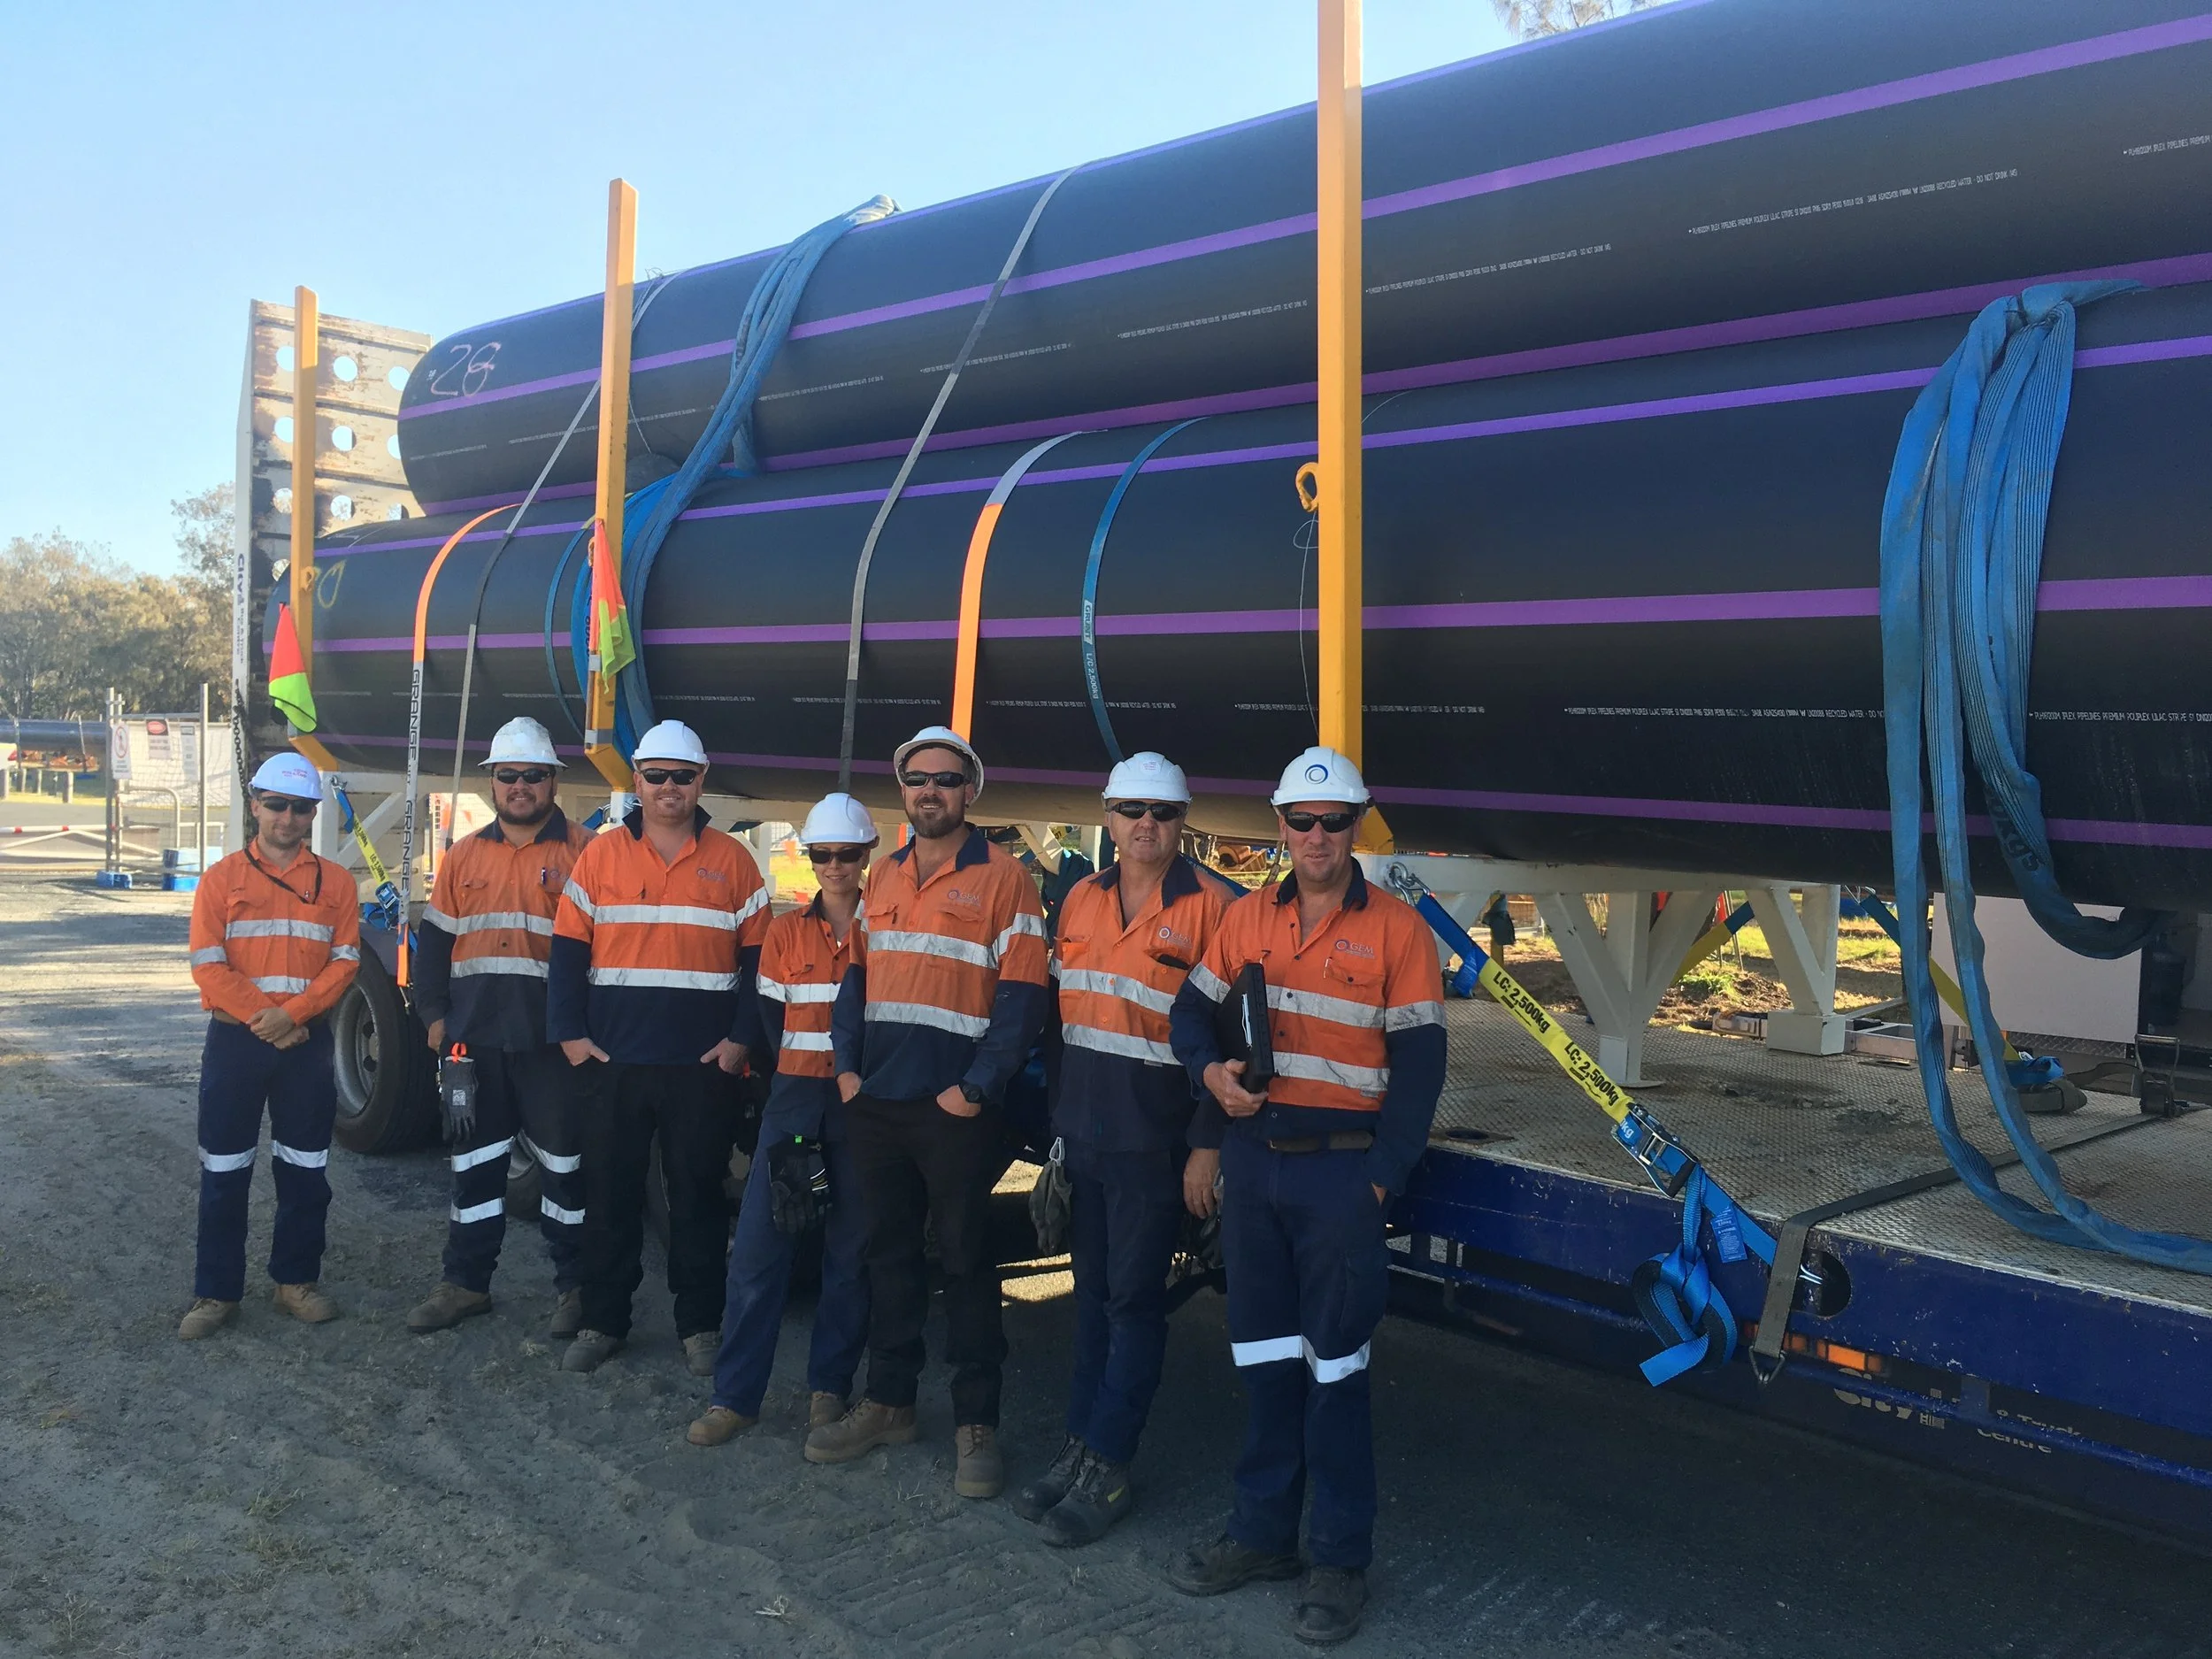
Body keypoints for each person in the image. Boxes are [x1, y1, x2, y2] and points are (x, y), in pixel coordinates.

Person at [1165, 746, 1446, 1647]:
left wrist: (1378, 1179)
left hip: (1338, 1177)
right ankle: (1260, 1535)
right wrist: (1210, 1077)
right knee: (1264, 1362)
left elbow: (1421, 1072)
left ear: (1357, 823)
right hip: (1256, 1167)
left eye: (1332, 821)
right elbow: (1185, 1015)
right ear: (1278, 825)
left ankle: (1337, 1560)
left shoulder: (1399, 933)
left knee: (1337, 1373)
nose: (1315, 837)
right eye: (1299, 821)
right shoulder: (1245, 919)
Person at [808, 726, 1048, 1500]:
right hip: (878, 1104)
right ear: (903, 790)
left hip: (953, 1113)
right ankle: (891, 1402)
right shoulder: (882, 875)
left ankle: (977, 1425)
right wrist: (847, 1070)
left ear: (969, 789)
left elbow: (1021, 1000)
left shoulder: (1006, 878)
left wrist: (975, 1089)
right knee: (888, 1258)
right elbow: (854, 980)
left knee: (967, 1262)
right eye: (917, 779)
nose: (930, 791)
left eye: (946, 778)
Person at [1011, 752, 1236, 1546]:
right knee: (1091, 1297)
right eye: (1132, 809)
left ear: (1185, 822)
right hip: (1088, 1135)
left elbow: (1235, 1047)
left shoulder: (1217, 908)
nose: (1147, 824)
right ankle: (1079, 1442)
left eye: (1164, 812)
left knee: (1136, 1304)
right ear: (1107, 815)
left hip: (1156, 1143)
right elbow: (1062, 1024)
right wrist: (1059, 1131)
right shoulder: (1076, 898)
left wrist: (1205, 1149)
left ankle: (1108, 1463)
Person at [548, 720, 768, 1376]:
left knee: (697, 1197)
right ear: (636, 781)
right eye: (656, 775)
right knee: (609, 1193)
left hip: (701, 1068)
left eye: (683, 775)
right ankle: (602, 1319)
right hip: (613, 1061)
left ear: (701, 781)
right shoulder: (600, 857)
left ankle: (700, 1324)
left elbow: (761, 967)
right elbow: (566, 953)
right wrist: (572, 1035)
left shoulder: (733, 860)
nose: (669, 787)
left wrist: (739, 1042)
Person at [688, 793, 878, 1448]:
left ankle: (830, 1389)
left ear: (865, 856)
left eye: (846, 854)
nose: (833, 865)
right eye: (821, 854)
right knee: (763, 1253)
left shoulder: (888, 930)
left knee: (850, 1254)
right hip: (795, 1099)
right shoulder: (785, 934)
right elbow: (770, 1022)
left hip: (860, 1110)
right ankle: (734, 1397)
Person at [404, 718, 595, 1339]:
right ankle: (464, 1284)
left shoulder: (588, 854)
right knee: (475, 1168)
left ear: (553, 781)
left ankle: (576, 1289)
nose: (520, 786)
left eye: (532, 775)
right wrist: (434, 1021)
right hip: (476, 1043)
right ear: (492, 780)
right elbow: (432, 947)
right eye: (508, 775)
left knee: (566, 1172)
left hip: (553, 1046)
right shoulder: (463, 856)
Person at [179, 752, 361, 1339]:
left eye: (300, 807)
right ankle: (215, 1293)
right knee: (224, 1168)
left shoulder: (335, 883)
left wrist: (293, 1015)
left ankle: (295, 1282)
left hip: (304, 1044)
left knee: (306, 1169)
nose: (287, 817)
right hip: (238, 1042)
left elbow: (346, 961)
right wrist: (268, 1018)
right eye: (276, 804)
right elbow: (207, 965)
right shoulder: (220, 879)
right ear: (255, 804)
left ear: (313, 813)